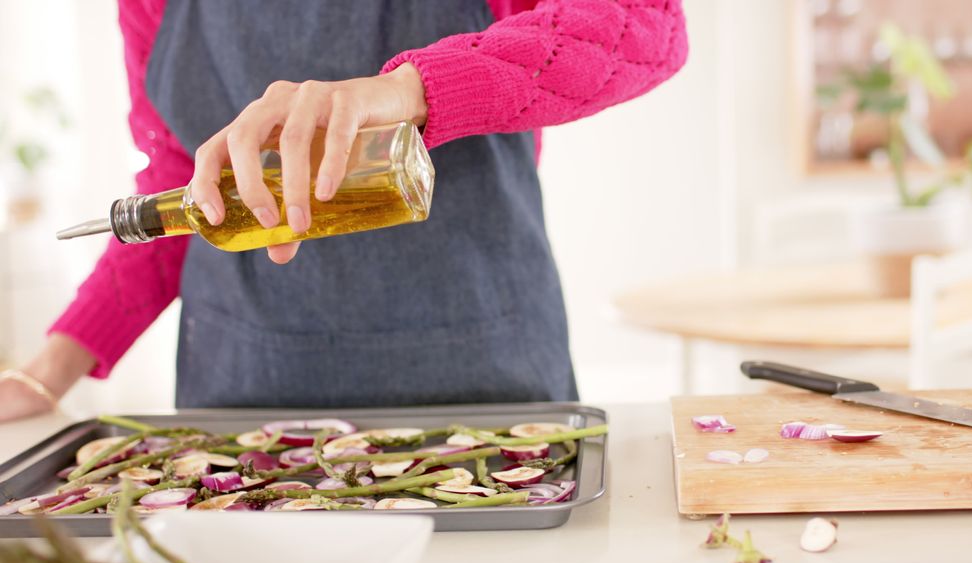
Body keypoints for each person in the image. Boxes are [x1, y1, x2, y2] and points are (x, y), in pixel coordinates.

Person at [0, 0, 688, 422]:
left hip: (488, 383)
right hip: (239, 403)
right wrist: (47, 371)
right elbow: (183, 186)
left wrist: (413, 90)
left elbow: (648, 22)